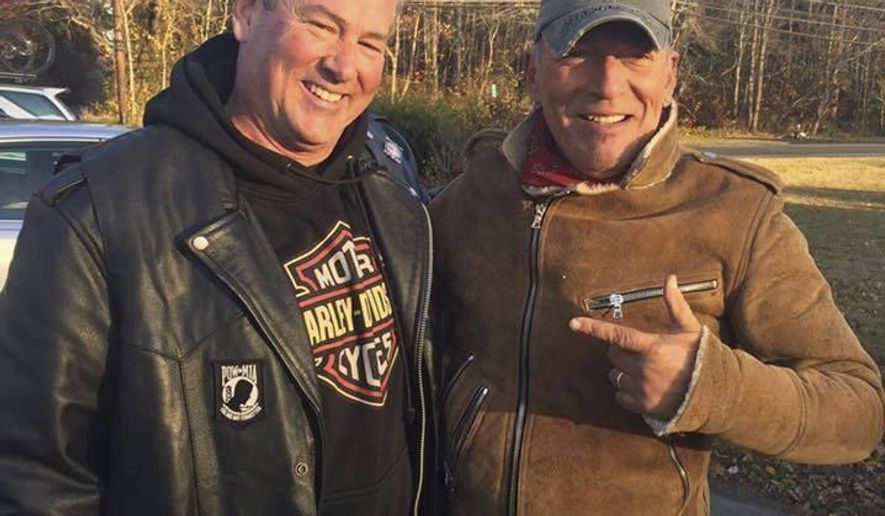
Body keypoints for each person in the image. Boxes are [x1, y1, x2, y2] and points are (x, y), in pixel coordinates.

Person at [430, 1, 885, 514]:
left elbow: (858, 410)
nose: (606, 84)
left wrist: (711, 388)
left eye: (634, 56)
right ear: (532, 71)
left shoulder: (735, 213)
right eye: (578, 53)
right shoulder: (468, 200)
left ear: (670, 74)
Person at [0, 0, 436, 515]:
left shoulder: (393, 200)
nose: (344, 66)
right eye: (321, 25)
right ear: (246, 16)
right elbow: (35, 478)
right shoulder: (98, 213)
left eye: (370, 43)